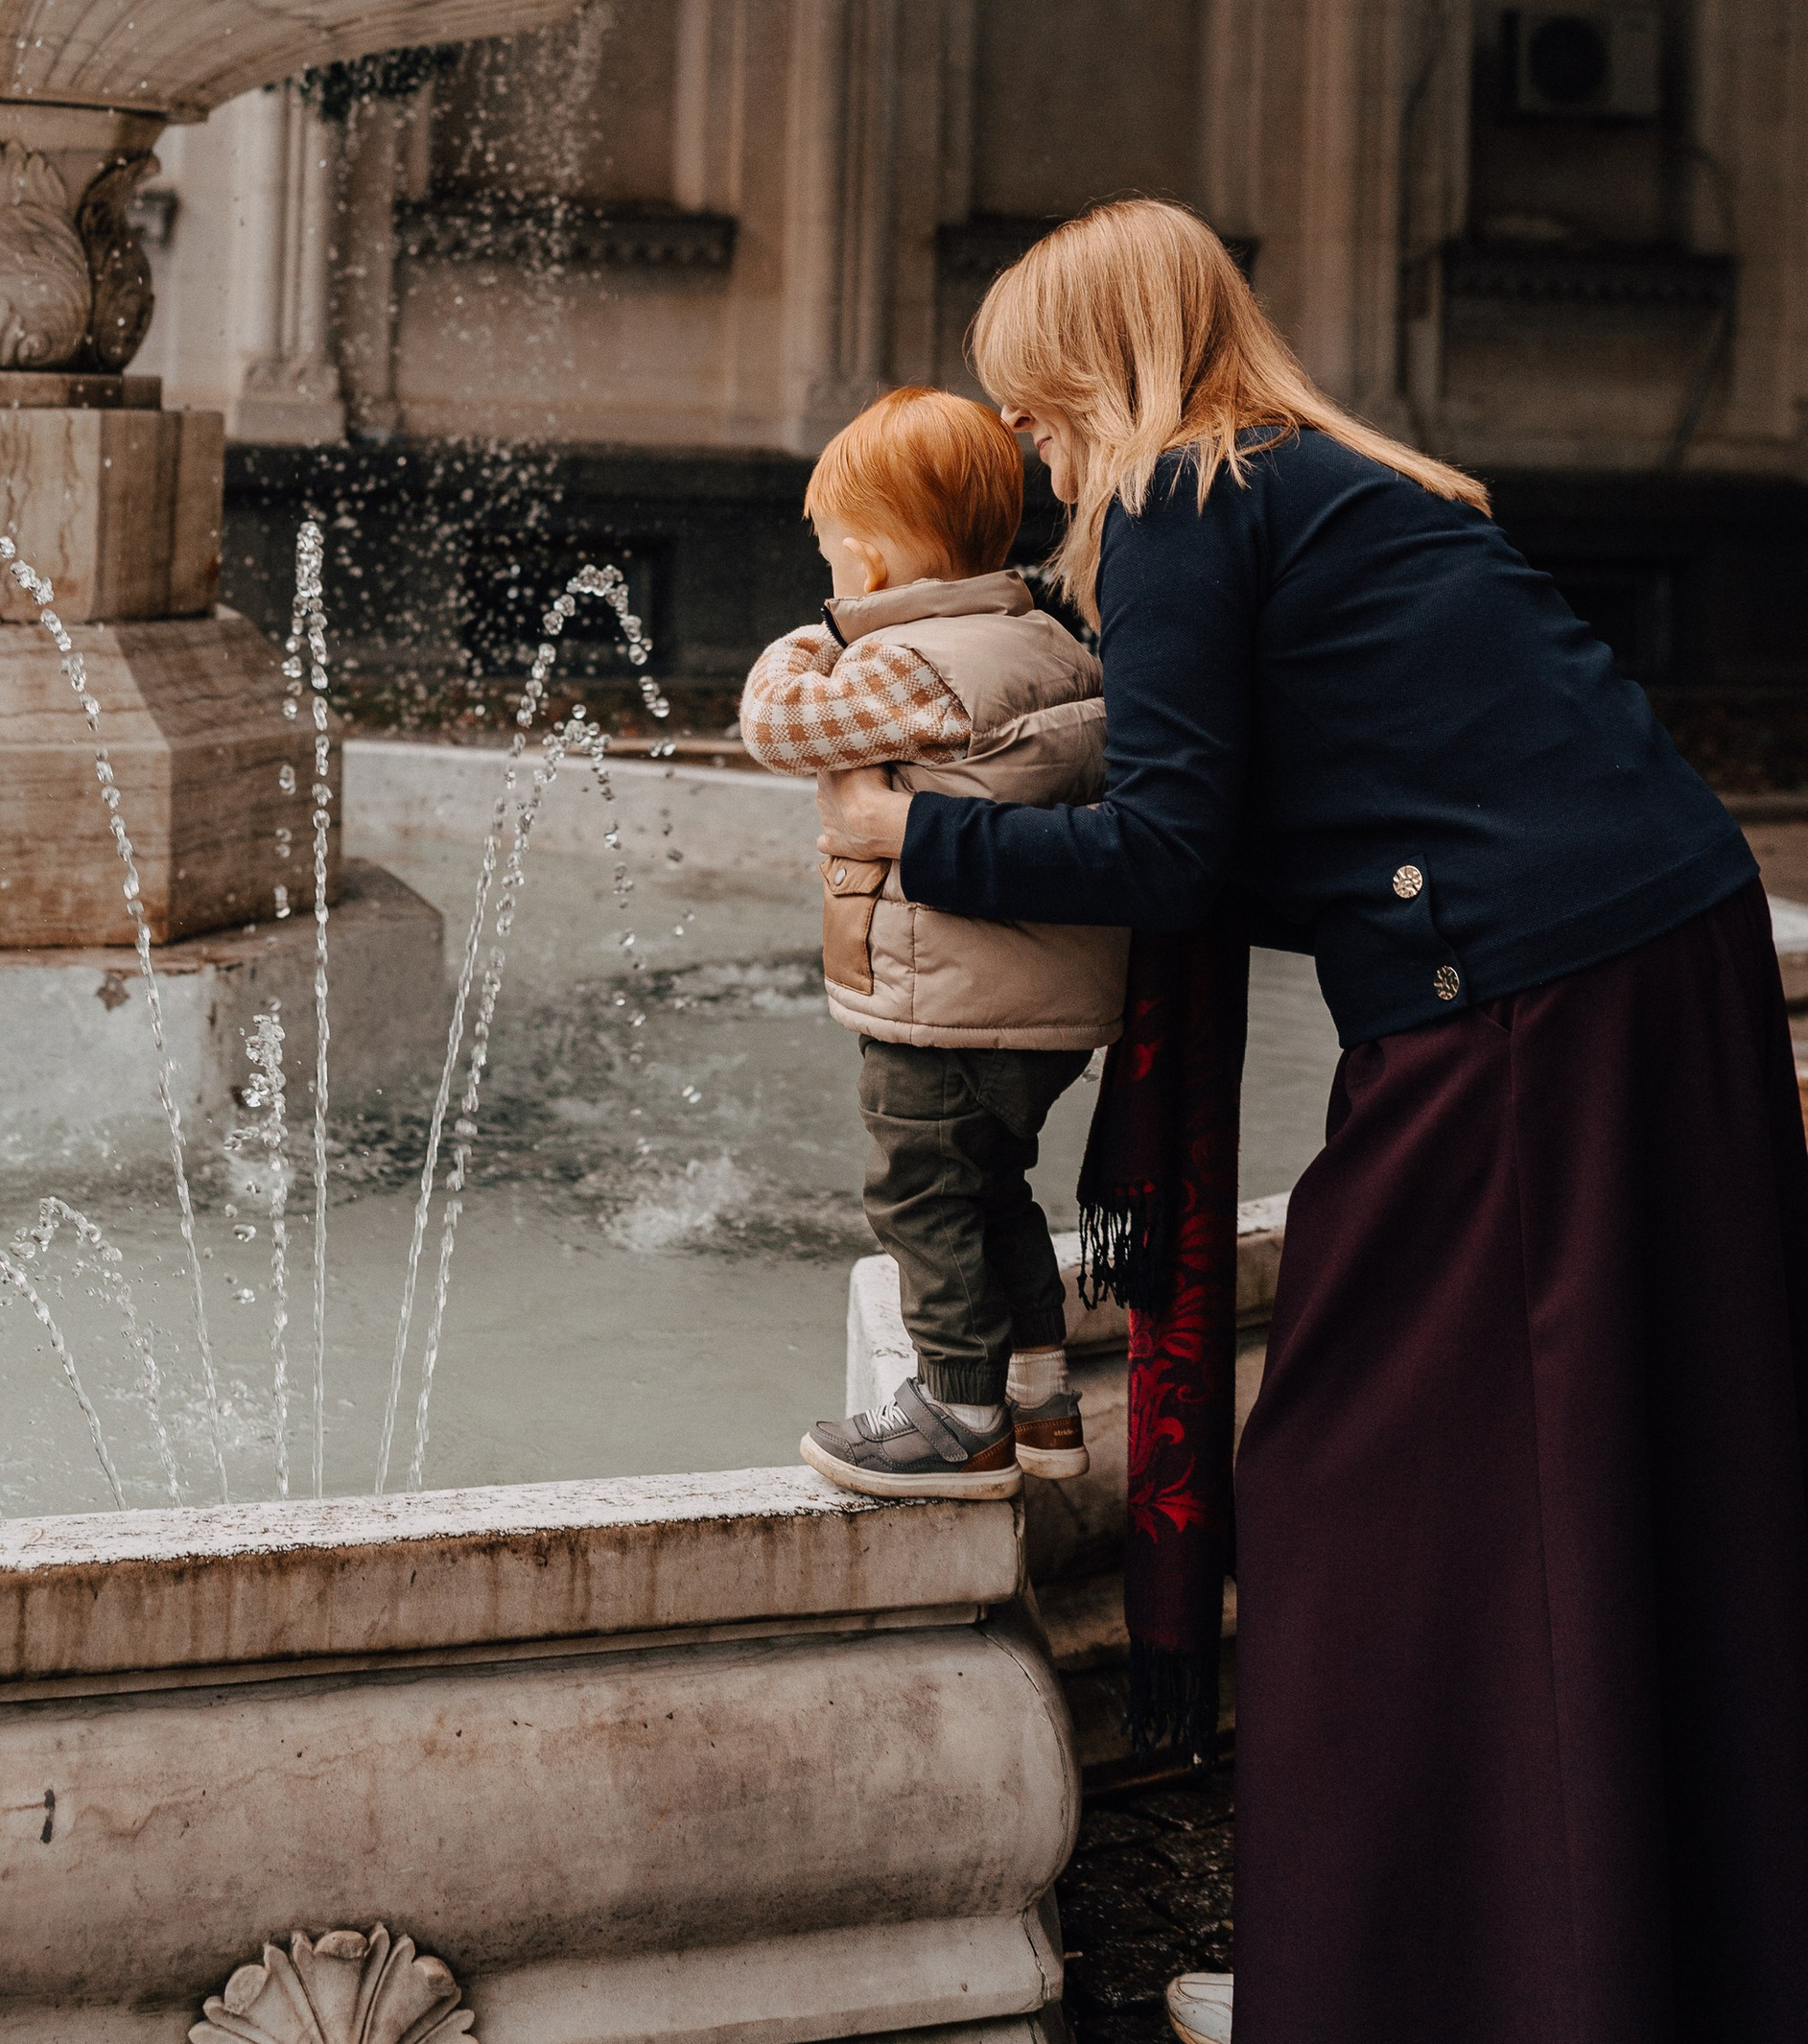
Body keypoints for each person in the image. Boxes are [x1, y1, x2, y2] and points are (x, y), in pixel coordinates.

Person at [814, 198, 1808, 2044]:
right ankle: (1610, 1959)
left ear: (1095, 376)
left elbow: (1176, 852)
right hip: (1659, 960)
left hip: (1529, 1009)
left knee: (1349, 1477)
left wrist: (918, 837)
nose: (1031, 463)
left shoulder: (1188, 499)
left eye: (1034, 416)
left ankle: (1383, 1987)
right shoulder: (1351, 479)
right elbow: (1314, 822)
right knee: (1630, 1476)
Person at [738, 386, 1121, 1497]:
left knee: (919, 1194)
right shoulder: (1047, 638)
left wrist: (815, 632)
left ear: (866, 560)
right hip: (1032, 1006)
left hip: (942, 1000)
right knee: (991, 1184)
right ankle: (1043, 1401)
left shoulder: (909, 668)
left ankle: (956, 1415)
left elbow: (775, 725)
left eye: (834, 556)